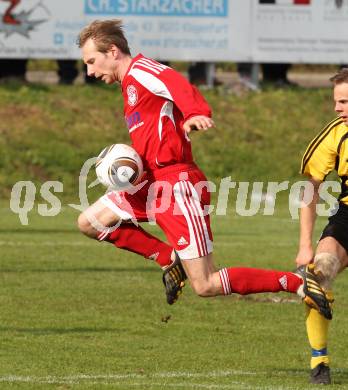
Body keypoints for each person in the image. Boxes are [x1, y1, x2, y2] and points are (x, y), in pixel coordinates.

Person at [76, 20, 331, 317]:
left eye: (92, 62)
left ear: (113, 51)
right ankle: (169, 258)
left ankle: (296, 282)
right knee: (91, 222)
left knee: (206, 283)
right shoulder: (130, 85)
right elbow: (165, 111)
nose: (91, 72)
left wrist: (196, 112)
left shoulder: (143, 71)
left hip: (176, 185)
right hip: (149, 182)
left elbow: (176, 84)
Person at [295, 67, 348, 385]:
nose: (337, 108)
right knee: (319, 271)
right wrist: (305, 246)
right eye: (336, 101)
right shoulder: (336, 133)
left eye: (344, 102)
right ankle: (320, 362)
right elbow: (310, 187)